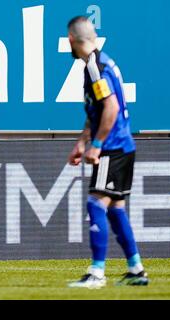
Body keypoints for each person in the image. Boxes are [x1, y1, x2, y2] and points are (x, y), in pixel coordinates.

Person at [66, 16, 148, 288]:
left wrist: (97, 145)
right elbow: (97, 110)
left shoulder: (94, 66)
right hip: (125, 145)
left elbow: (110, 108)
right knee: (115, 209)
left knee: (95, 203)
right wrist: (81, 142)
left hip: (112, 146)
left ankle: (97, 273)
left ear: (73, 40)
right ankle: (136, 269)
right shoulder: (104, 62)